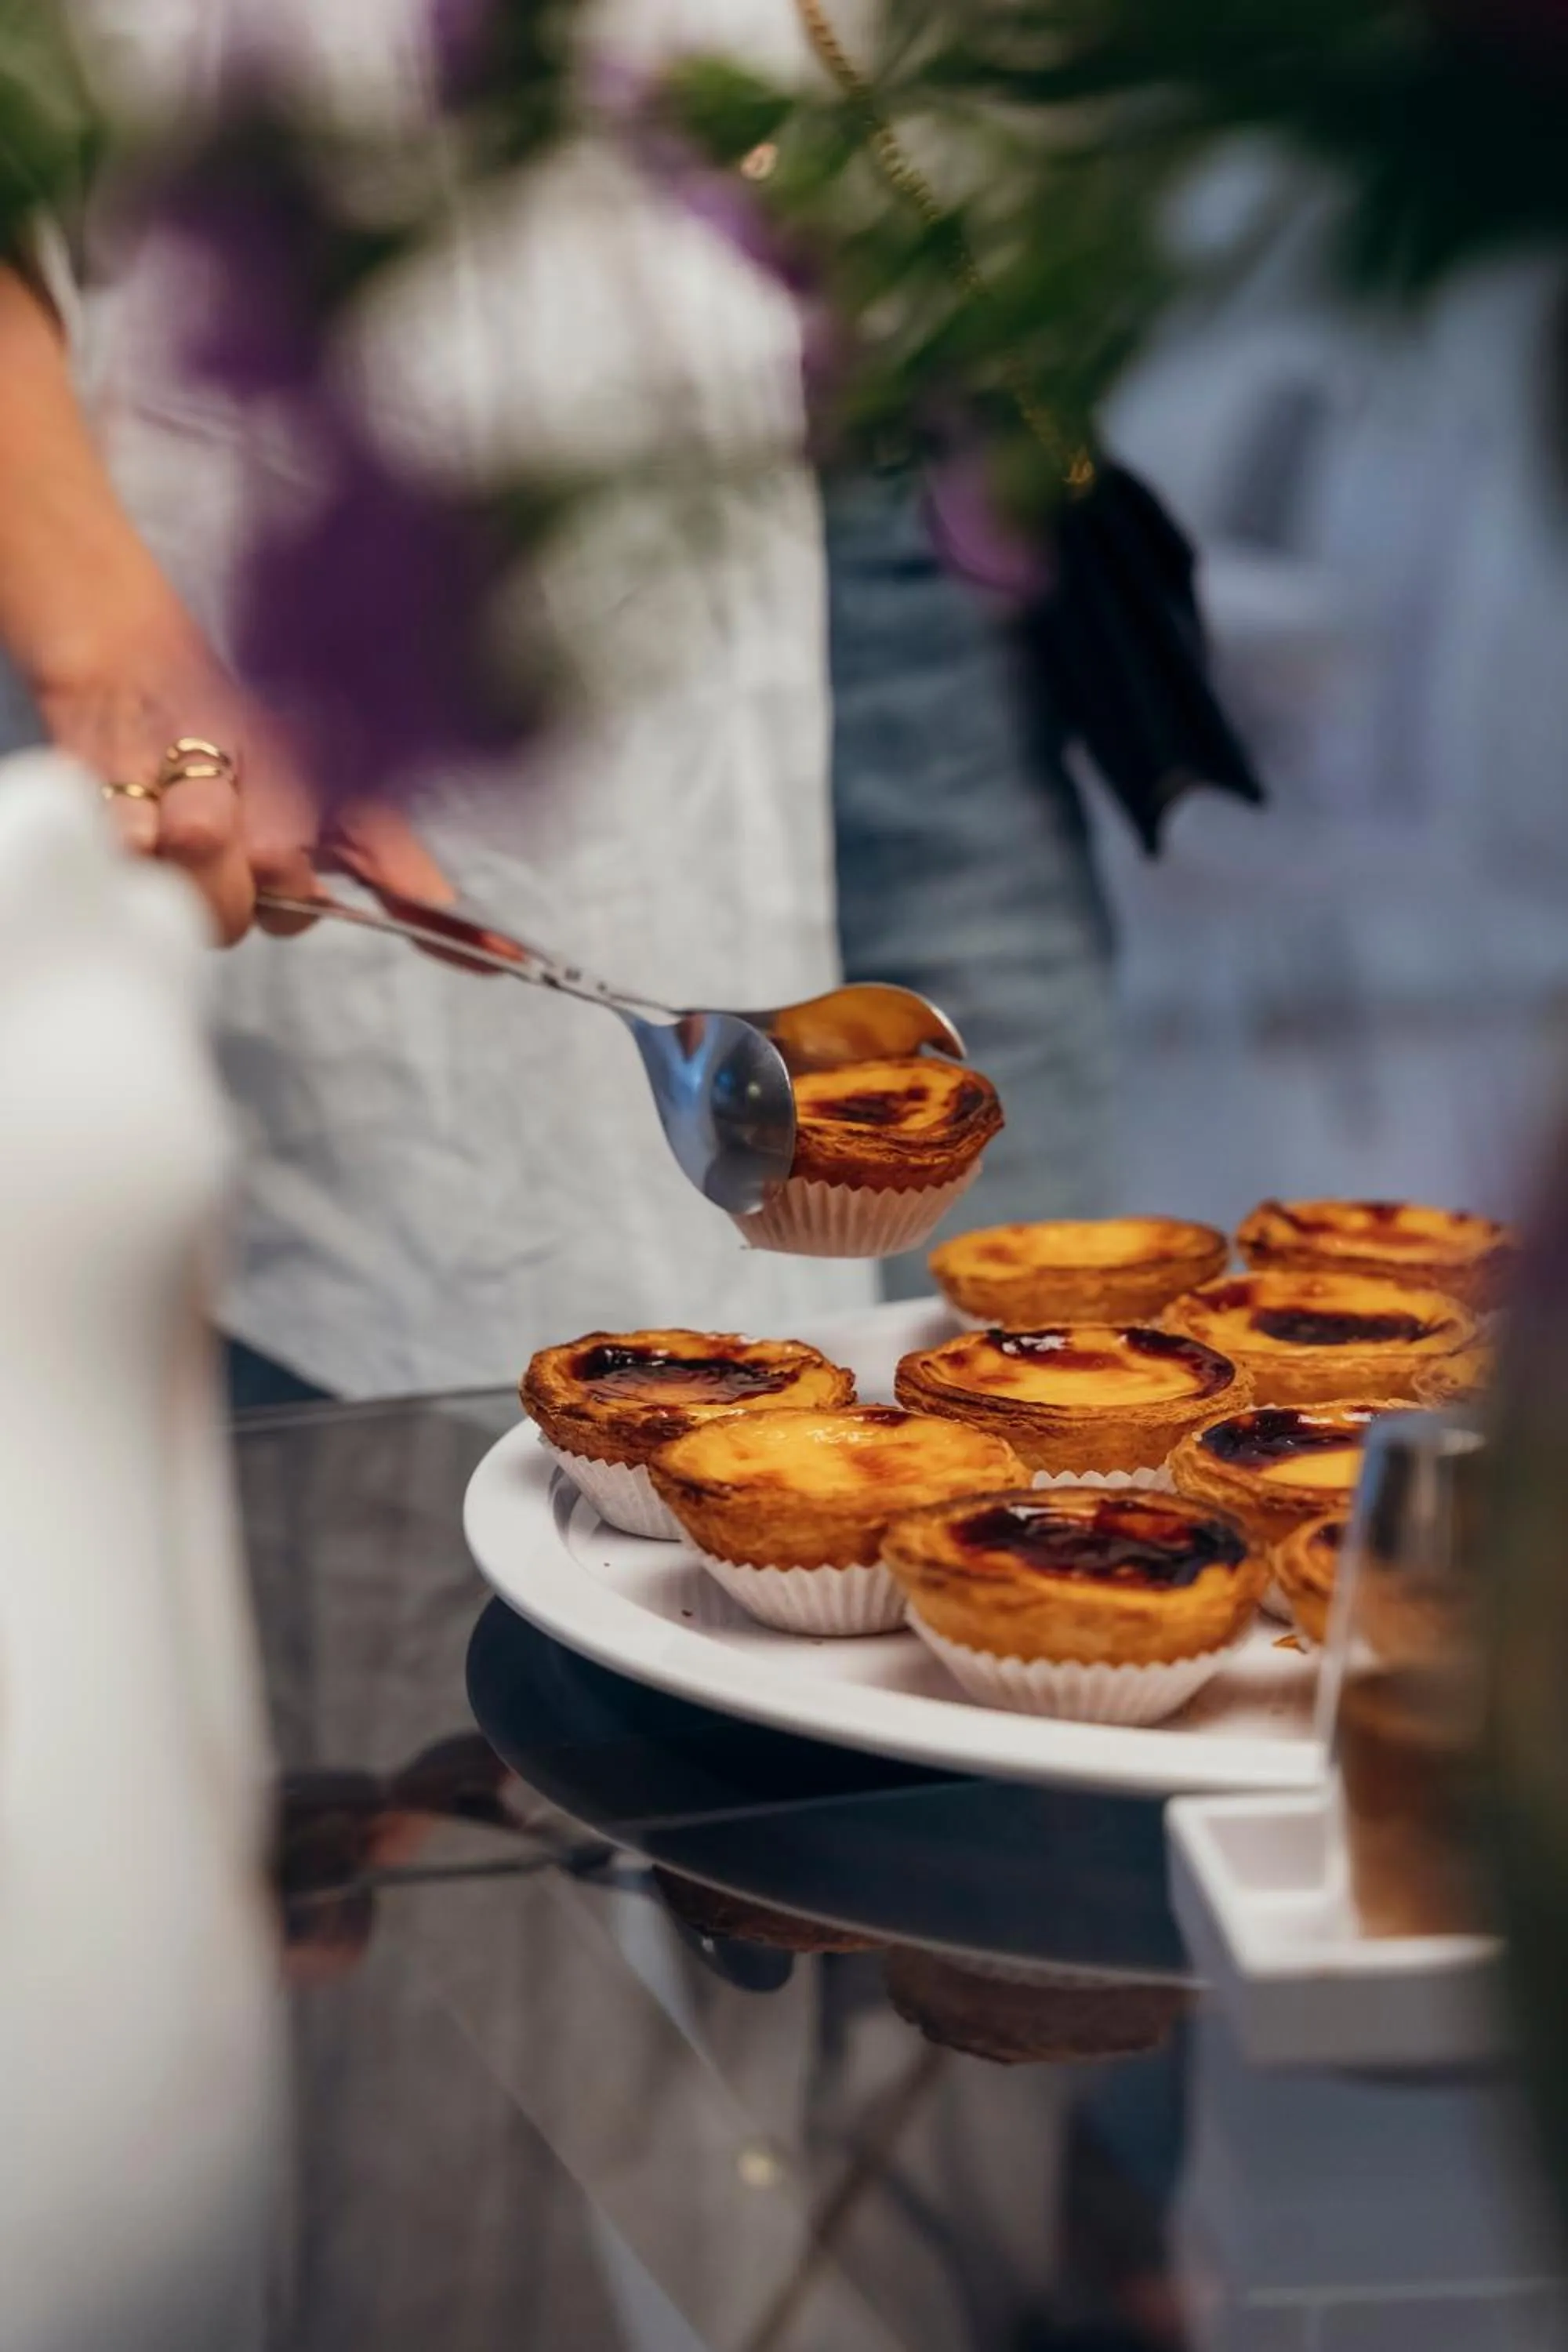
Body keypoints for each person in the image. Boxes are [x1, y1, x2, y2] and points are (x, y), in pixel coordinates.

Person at [4, 0, 874, 1400]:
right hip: (298, 440)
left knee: (982, 1389)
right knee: (451, 1391)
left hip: (850, 389)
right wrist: (104, 630)